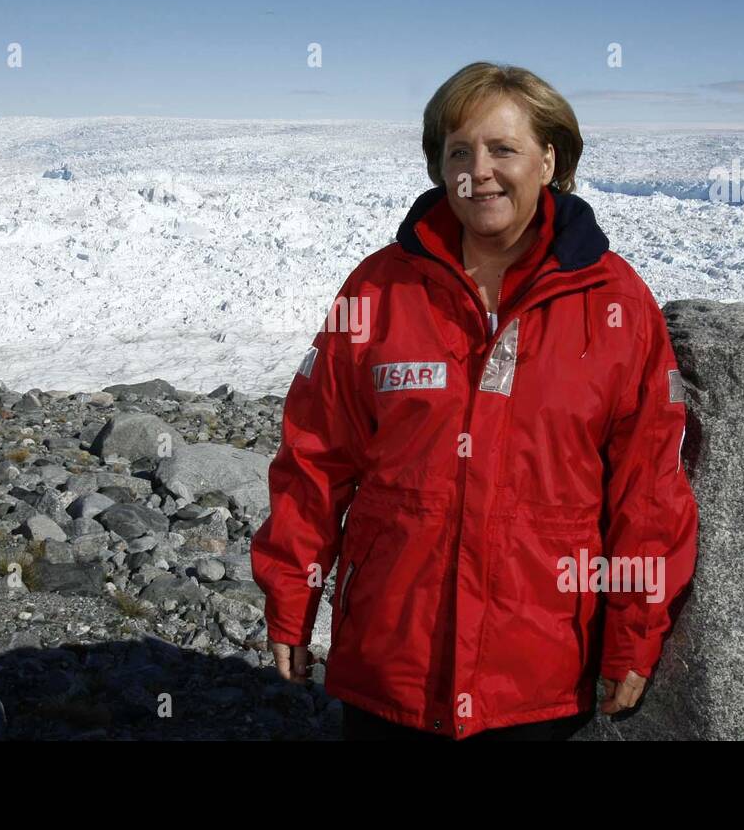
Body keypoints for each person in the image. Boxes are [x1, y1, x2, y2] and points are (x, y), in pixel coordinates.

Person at [250, 61, 699, 741]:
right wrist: (291, 597)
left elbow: (649, 488)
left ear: (550, 159)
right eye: (458, 151)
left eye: (503, 149)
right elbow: (315, 454)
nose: (478, 170)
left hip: (537, 675)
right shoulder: (377, 291)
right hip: (391, 662)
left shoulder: (614, 303)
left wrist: (635, 631)